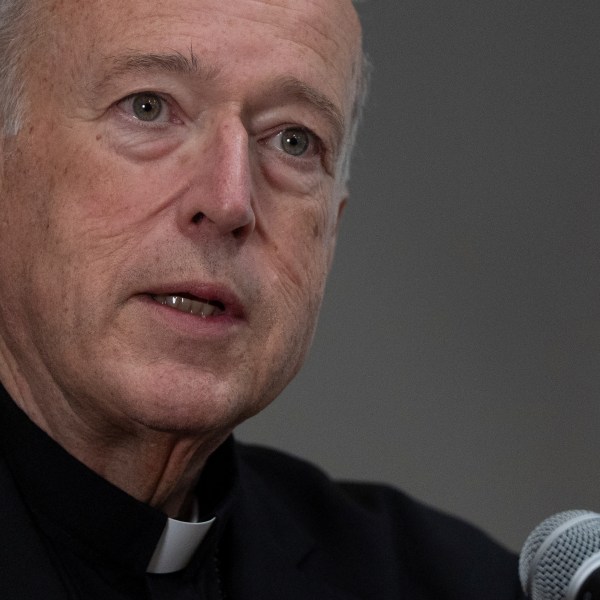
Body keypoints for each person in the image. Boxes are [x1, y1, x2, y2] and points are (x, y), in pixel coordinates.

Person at [0, 0, 525, 598]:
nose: (229, 202)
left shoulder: (441, 581)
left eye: (295, 140)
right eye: (148, 107)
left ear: (332, 227)